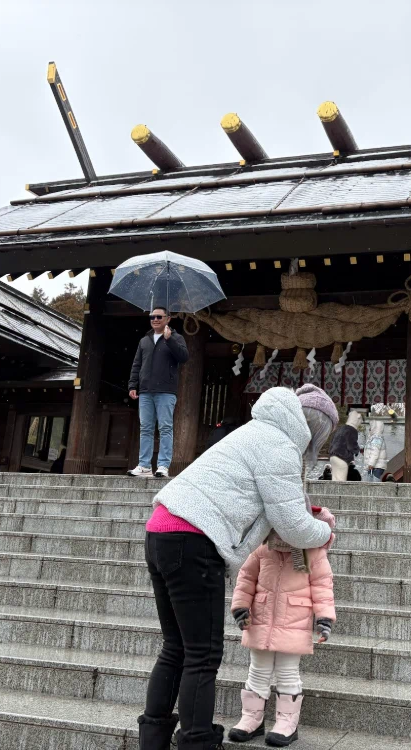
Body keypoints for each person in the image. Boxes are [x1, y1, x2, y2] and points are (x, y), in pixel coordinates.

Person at [138, 384, 338, 750]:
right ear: (314, 430)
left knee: (176, 647)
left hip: (161, 530)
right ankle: (196, 741)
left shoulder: (256, 431)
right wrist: (325, 530)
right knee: (203, 654)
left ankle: (153, 738)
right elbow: (292, 524)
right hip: (194, 539)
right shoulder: (279, 447)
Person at [229, 505, 336, 747]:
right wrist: (240, 606)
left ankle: (287, 722)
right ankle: (251, 719)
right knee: (257, 670)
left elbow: (322, 587)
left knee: (288, 672)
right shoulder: (262, 548)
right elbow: (246, 578)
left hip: (293, 621)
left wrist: (324, 618)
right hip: (260, 618)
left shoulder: (313, 552)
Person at [128, 307, 189, 478]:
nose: (155, 319)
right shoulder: (144, 341)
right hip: (146, 390)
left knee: (165, 428)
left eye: (159, 317)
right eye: (152, 316)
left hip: (166, 391)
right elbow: (136, 365)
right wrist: (133, 385)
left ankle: (163, 465)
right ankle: (144, 465)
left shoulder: (176, 338)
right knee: (146, 428)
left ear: (168, 319)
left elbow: (184, 357)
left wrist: (169, 340)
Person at [328, 410, 362, 481]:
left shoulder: (340, 429)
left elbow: (332, 441)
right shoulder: (352, 430)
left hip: (333, 456)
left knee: (335, 478)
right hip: (342, 457)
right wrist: (357, 450)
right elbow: (351, 444)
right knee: (341, 479)